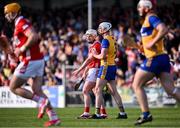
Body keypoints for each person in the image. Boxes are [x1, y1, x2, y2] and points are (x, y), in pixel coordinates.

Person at [4, 3, 60, 127]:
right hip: (37, 60)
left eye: (8, 13)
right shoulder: (18, 24)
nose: (6, 16)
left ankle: (41, 102)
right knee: (37, 90)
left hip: (30, 60)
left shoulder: (20, 22)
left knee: (13, 87)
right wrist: (15, 54)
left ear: (14, 13)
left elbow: (34, 36)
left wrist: (22, 48)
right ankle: (54, 117)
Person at [133, 0, 180, 125]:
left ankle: (146, 114)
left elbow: (163, 29)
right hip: (162, 57)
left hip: (155, 58)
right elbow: (152, 39)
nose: (138, 9)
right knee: (171, 91)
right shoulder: (148, 20)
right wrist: (146, 47)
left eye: (140, 7)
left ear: (147, 8)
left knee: (136, 85)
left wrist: (151, 43)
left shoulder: (151, 17)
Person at [91, 22, 127, 119]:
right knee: (114, 91)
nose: (99, 30)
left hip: (105, 66)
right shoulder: (113, 39)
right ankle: (122, 113)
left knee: (98, 89)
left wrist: (94, 54)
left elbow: (102, 56)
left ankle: (98, 114)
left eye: (100, 28)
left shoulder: (105, 40)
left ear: (105, 29)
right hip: (112, 66)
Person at [73, 29, 108, 119]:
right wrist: (85, 71)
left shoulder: (96, 45)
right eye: (87, 35)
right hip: (94, 69)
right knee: (97, 92)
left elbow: (89, 60)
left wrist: (79, 69)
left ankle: (86, 112)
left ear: (95, 36)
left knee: (85, 90)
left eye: (90, 35)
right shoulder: (94, 45)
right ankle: (103, 113)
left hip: (95, 70)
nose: (88, 37)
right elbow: (91, 61)